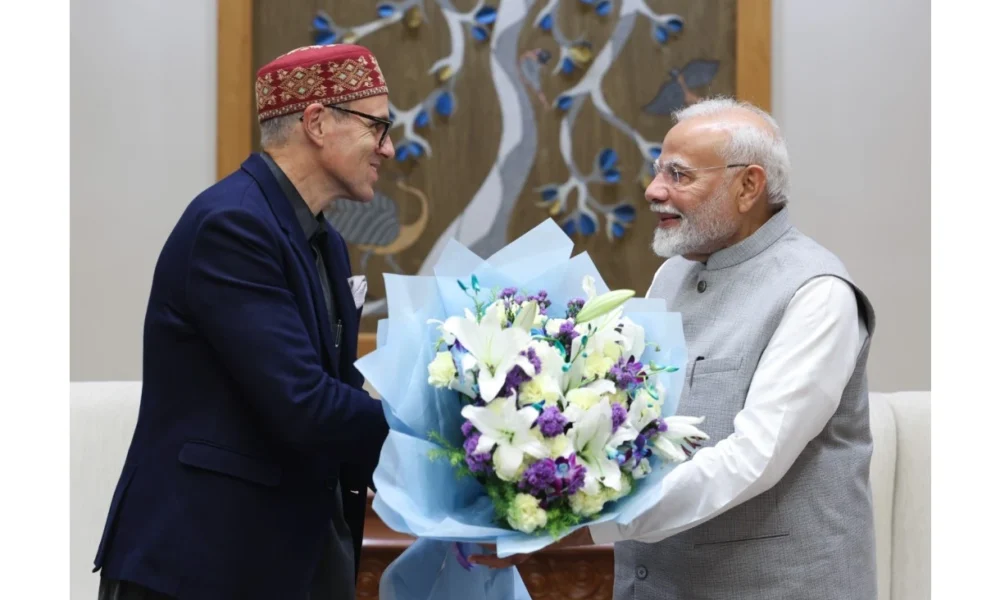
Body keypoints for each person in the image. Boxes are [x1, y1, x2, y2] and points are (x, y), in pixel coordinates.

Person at [472, 97, 878, 600]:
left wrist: (580, 524)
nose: (653, 190)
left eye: (679, 175)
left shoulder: (818, 293)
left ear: (748, 186)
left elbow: (751, 459)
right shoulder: (673, 274)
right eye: (658, 171)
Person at [92, 43, 396, 599]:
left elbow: (336, 390)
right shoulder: (232, 227)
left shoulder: (324, 240)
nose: (389, 148)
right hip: (203, 565)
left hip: (288, 556)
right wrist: (441, 427)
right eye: (378, 126)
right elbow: (304, 404)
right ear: (317, 122)